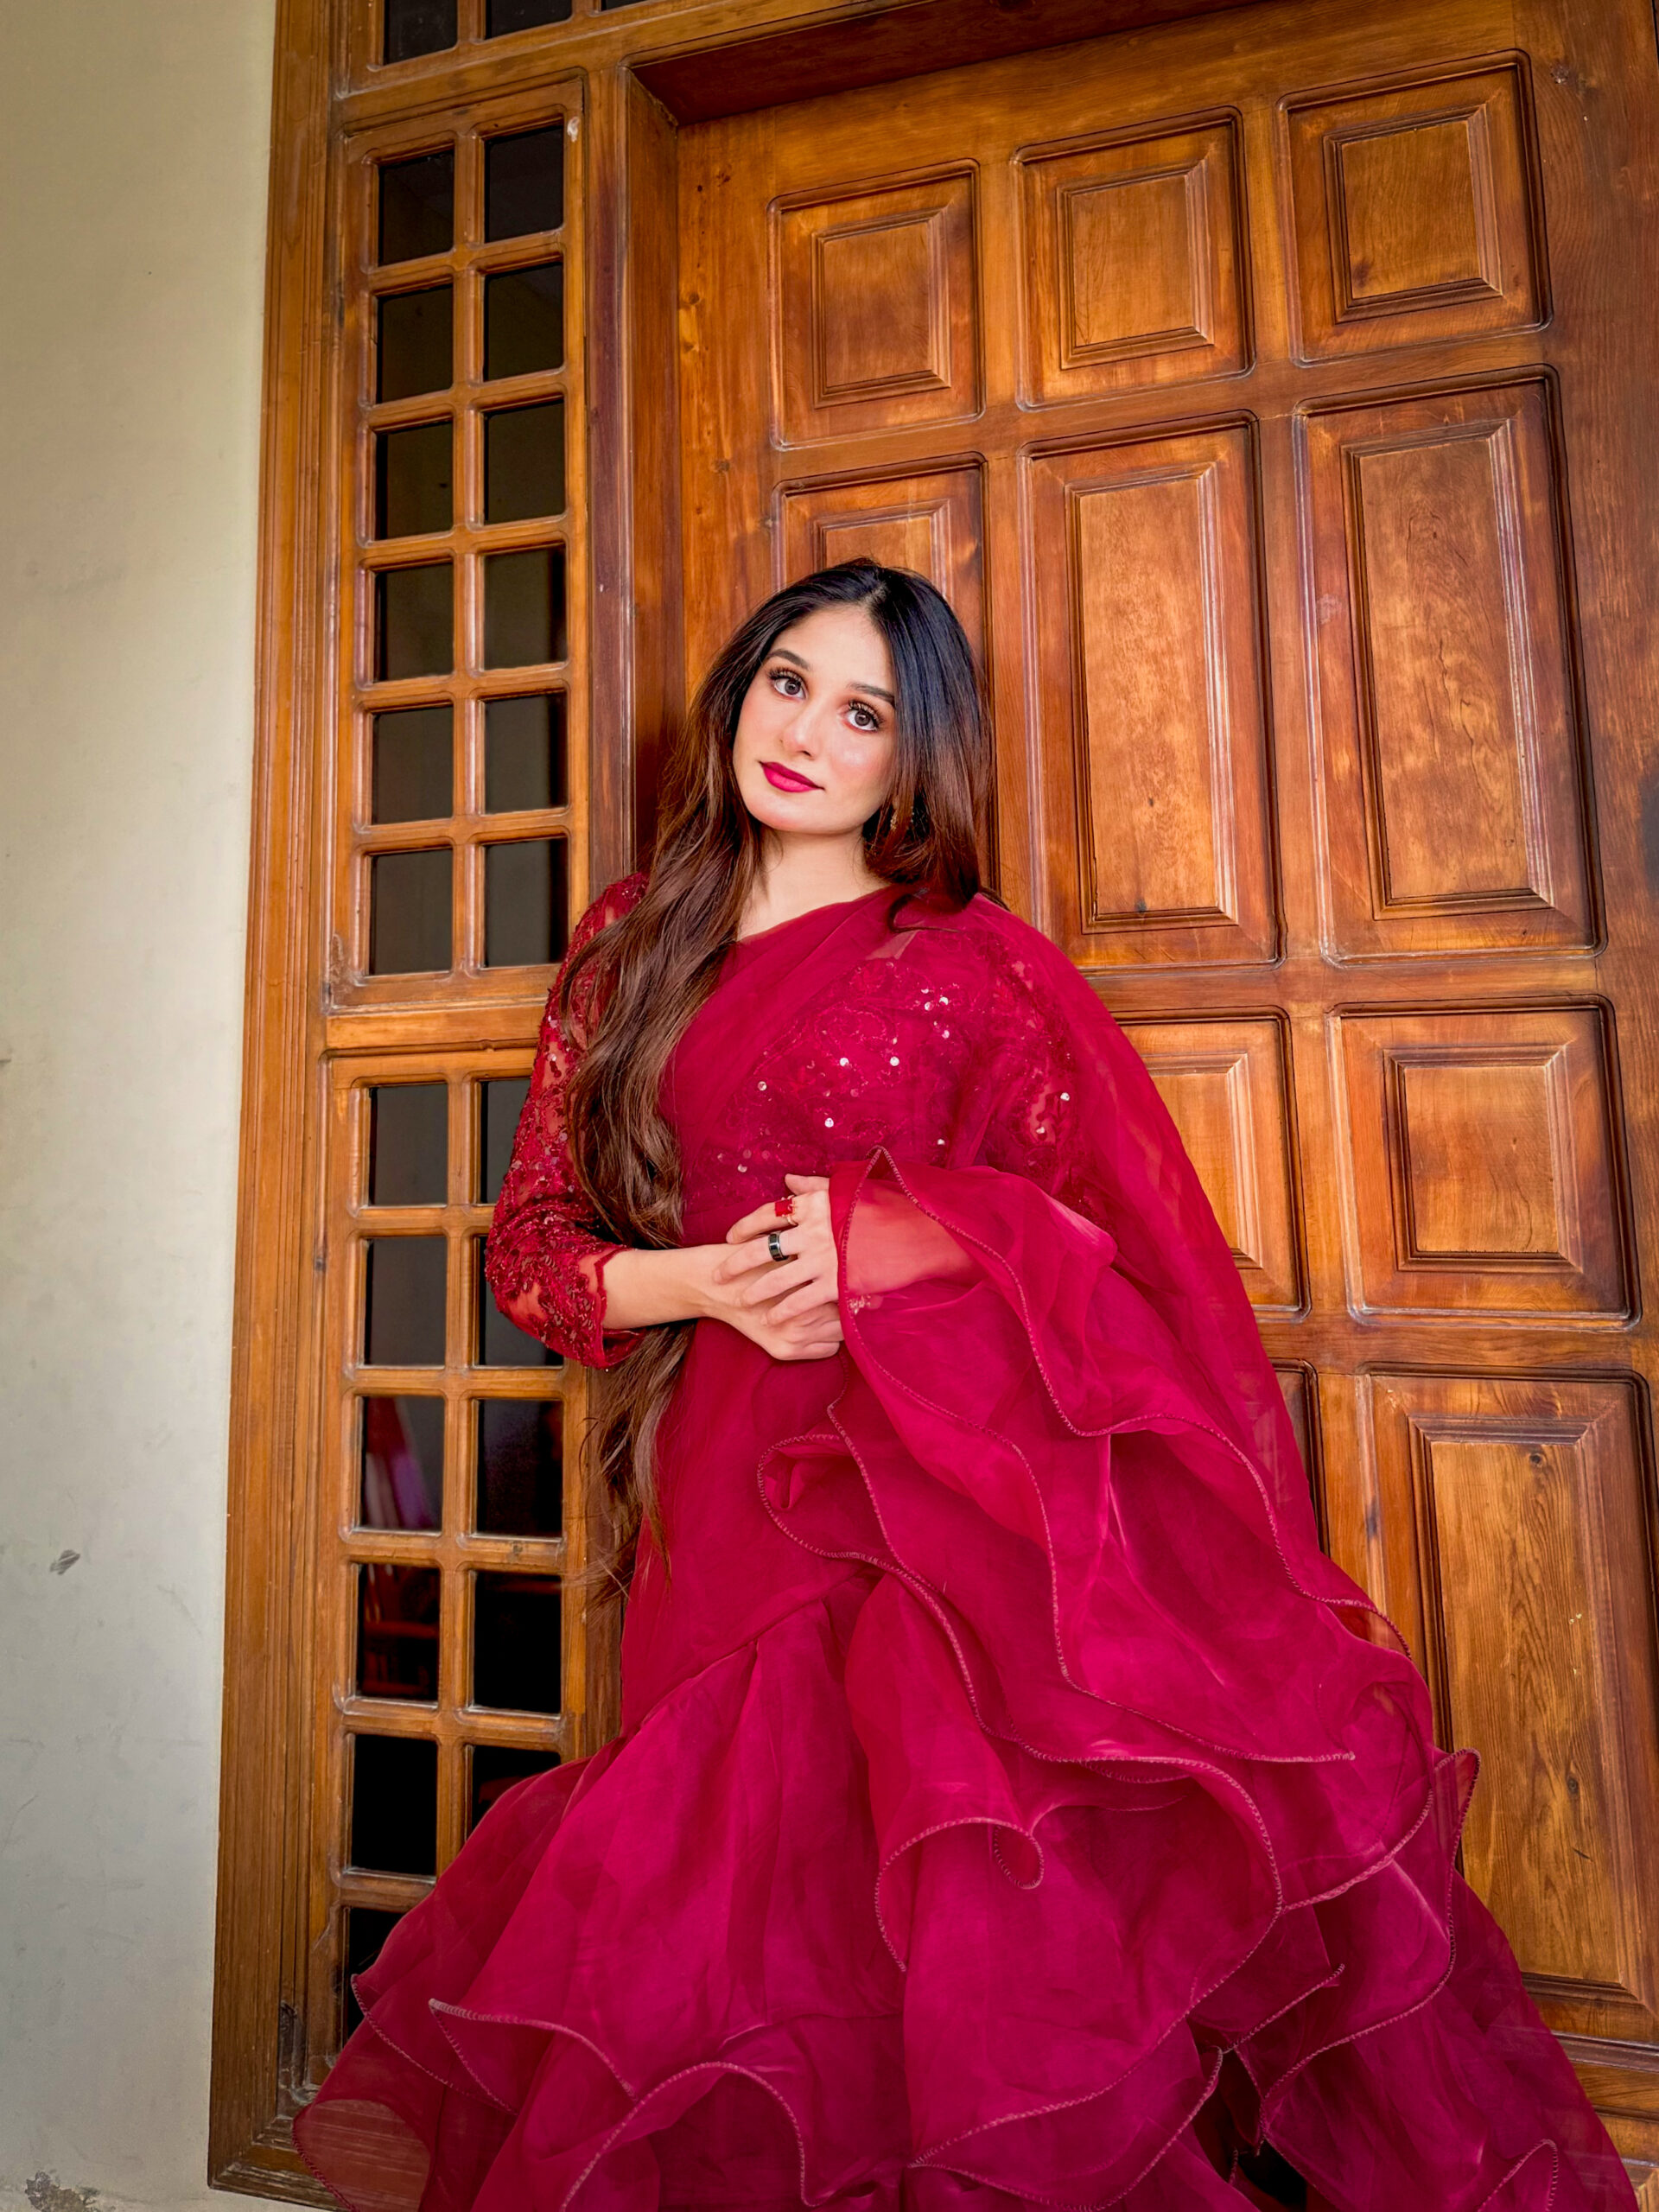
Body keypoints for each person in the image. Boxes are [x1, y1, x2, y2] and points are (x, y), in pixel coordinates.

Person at [296, 562, 1635, 2211]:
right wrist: (701, 1282)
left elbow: (1095, 1233)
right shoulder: (632, 945)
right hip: (724, 1480)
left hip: (941, 1515)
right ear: (739, 693)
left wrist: (878, 1235)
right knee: (742, 1917)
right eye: (788, 683)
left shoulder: (968, 963)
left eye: (861, 713)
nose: (807, 734)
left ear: (910, 757)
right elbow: (533, 1252)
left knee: (946, 1922)